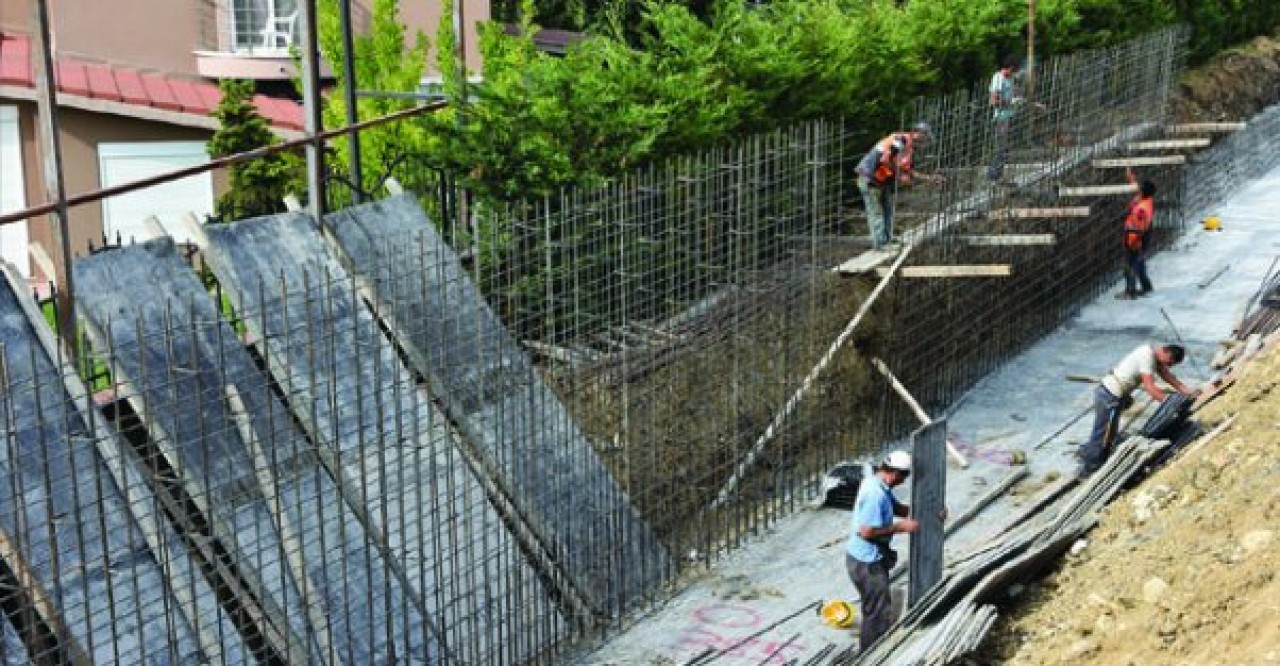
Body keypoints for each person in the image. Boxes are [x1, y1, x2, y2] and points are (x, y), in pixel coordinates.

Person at [1077, 343, 1195, 477]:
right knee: (1104, 435)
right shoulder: (1147, 356)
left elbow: (1170, 378)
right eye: (1169, 362)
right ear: (1165, 352)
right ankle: (1089, 469)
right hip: (1110, 396)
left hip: (1113, 395)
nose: (1168, 366)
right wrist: (1171, 404)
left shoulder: (1156, 358)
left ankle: (1088, 454)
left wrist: (1189, 392)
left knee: (1107, 433)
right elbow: (1150, 387)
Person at [846, 450, 917, 651]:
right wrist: (899, 527)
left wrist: (925, 508)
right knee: (877, 612)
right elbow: (866, 532)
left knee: (875, 606)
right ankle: (872, 655)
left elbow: (896, 507)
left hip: (866, 557)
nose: (904, 481)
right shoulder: (875, 494)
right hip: (867, 563)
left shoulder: (878, 483)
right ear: (895, 473)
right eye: (905, 476)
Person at [855, 123, 934, 250]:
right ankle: (880, 243)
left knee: (887, 210)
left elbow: (908, 171)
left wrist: (929, 178)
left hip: (882, 180)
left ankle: (887, 239)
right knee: (876, 212)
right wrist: (900, 175)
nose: (925, 141)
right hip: (869, 178)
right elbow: (886, 159)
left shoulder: (909, 149)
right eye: (924, 137)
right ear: (916, 133)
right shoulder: (900, 140)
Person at [1117, 167, 1157, 299]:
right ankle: (1146, 286)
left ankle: (1131, 290)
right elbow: (1136, 188)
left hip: (1137, 235)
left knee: (1130, 263)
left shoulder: (1143, 208)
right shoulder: (1145, 199)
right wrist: (1130, 177)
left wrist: (1134, 240)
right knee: (1138, 261)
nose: (1139, 188)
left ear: (1145, 191)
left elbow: (1140, 225)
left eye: (1141, 187)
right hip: (1137, 232)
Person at [987, 55, 1022, 183]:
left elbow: (1014, 95)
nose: (1016, 73)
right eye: (1015, 70)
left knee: (1005, 148)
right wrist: (1011, 102)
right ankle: (993, 177)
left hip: (1008, 117)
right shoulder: (998, 78)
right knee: (1000, 148)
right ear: (1010, 68)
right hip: (1001, 118)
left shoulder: (1009, 79)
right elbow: (993, 101)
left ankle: (998, 175)